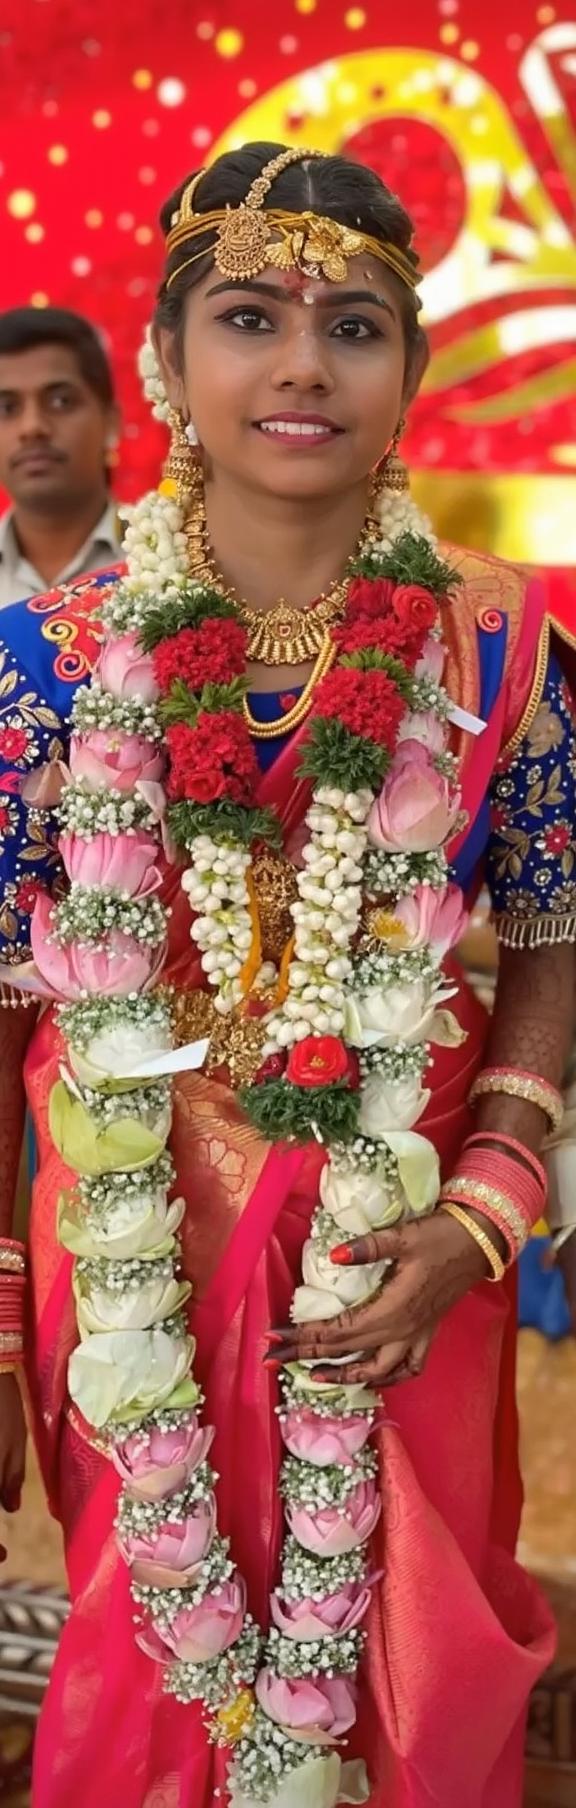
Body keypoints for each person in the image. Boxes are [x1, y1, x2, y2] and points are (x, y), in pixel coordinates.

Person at [0, 141, 575, 1808]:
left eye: (358, 326)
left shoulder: (499, 640)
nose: (306, 364)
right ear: (170, 362)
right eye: (250, 315)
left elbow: (549, 933)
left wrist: (482, 1215)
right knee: (148, 1620)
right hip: (129, 1245)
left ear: (407, 373)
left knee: (412, 1635)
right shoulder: (50, 656)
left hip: (406, 1233)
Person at [0, 306, 122, 609]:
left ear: (111, 421)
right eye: (6, 408)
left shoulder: (175, 561)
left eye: (60, 401)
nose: (32, 427)